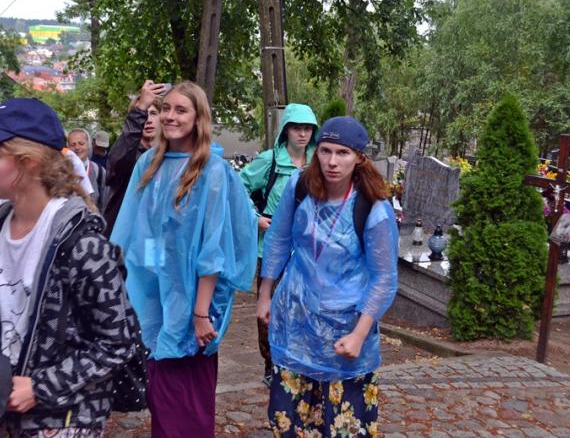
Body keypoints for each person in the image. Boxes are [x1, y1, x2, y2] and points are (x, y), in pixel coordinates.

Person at [0, 97, 137, 438]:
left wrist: (39, 387)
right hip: (4, 415)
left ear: (30, 162)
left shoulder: (81, 242)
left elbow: (116, 343)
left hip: (65, 421)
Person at [111, 81, 257, 437]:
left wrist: (200, 312)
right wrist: (143, 292)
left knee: (188, 408)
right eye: (166, 108)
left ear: (198, 118)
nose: (170, 116)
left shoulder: (212, 170)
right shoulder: (148, 164)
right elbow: (138, 234)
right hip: (156, 304)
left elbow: (212, 246)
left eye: (181, 110)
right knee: (162, 403)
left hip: (194, 306)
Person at [256, 116, 398, 437]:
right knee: (288, 423)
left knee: (343, 428)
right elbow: (278, 239)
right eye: (326, 151)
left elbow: (384, 279)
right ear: (316, 151)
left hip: (344, 336)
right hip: (295, 327)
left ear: (359, 157)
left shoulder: (373, 209)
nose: (332, 162)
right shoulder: (300, 187)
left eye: (343, 153)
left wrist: (359, 334)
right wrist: (265, 294)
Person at [239, 103, 318, 386]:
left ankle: (298, 362)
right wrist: (255, 218)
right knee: (268, 307)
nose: (302, 134)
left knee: (305, 307)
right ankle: (271, 364)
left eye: (307, 128)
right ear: (286, 130)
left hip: (308, 250)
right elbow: (238, 186)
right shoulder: (269, 160)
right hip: (271, 247)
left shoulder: (319, 161)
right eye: (297, 128)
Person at [103, 79, 163, 236]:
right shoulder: (126, 153)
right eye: (144, 114)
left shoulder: (168, 158)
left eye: (153, 113)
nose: (148, 120)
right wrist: (139, 110)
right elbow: (118, 163)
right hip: (123, 236)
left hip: (153, 238)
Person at [67, 128, 107, 210]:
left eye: (81, 143)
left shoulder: (99, 171)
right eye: (73, 145)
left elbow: (105, 204)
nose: (77, 147)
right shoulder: (61, 171)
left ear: (89, 145)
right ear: (68, 147)